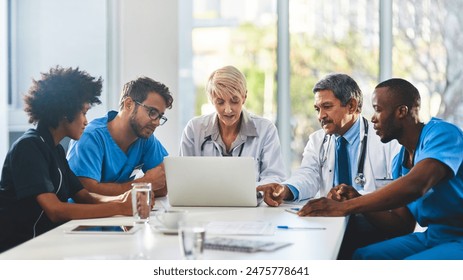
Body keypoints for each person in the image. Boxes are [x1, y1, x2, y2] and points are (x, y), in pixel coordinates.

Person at [300, 78, 463, 260]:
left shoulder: (443, 134)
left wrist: (345, 207)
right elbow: (401, 226)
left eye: (377, 110)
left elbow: (418, 184)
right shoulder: (399, 162)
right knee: (363, 257)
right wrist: (357, 198)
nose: (372, 118)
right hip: (434, 237)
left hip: (460, 239)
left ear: (401, 111)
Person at [257, 73, 401, 258]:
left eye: (327, 107)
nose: (320, 116)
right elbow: (307, 175)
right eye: (317, 109)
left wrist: (353, 198)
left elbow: (395, 196)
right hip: (333, 223)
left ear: (351, 106)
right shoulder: (318, 141)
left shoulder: (386, 141)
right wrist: (285, 189)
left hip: (373, 224)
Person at [0, 66, 134, 253]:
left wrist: (125, 200)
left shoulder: (55, 150)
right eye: (84, 112)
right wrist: (118, 208)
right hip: (20, 253)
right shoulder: (29, 148)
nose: (86, 121)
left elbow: (84, 196)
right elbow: (55, 211)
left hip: (48, 248)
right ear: (65, 111)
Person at [67, 76, 173, 197]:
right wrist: (143, 184)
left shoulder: (145, 138)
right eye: (152, 112)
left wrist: (135, 188)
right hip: (88, 215)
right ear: (128, 104)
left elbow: (164, 185)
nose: (157, 122)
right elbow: (87, 193)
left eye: (160, 116)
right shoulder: (91, 137)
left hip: (121, 214)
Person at [179, 65, 286, 185]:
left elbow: (274, 176)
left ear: (244, 97)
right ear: (211, 100)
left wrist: (255, 191)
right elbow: (185, 177)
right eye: (220, 102)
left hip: (252, 202)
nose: (228, 110)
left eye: (235, 101)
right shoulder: (194, 129)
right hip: (205, 202)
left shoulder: (265, 129)